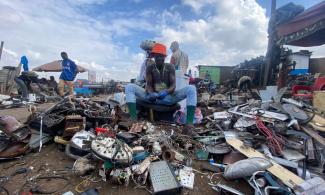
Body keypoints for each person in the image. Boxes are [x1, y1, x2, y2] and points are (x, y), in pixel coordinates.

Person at [125, 43, 197, 133]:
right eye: (157, 56)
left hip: (168, 97)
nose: (159, 58)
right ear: (154, 56)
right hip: (152, 98)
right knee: (130, 87)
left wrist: (166, 92)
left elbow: (173, 86)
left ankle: (189, 125)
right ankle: (133, 120)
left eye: (161, 56)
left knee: (191, 89)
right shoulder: (150, 67)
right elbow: (149, 84)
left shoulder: (170, 67)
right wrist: (151, 93)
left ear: (164, 57)